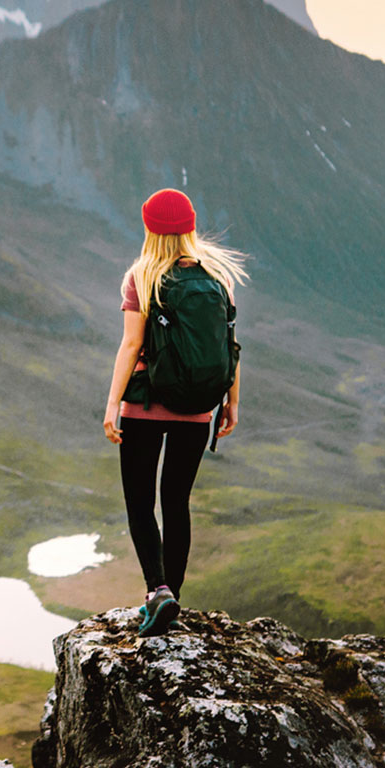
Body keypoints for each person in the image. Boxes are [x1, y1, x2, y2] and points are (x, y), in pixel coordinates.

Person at [102, 188, 247, 636]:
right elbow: (229, 346)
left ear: (149, 227)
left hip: (145, 405)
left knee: (141, 502)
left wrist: (112, 404)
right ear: (190, 225)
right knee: (176, 502)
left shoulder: (141, 277)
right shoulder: (216, 278)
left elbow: (131, 344)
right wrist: (231, 402)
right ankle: (173, 599)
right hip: (198, 411)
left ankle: (157, 591)